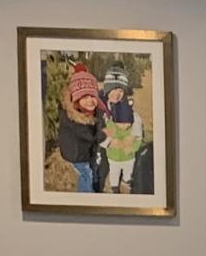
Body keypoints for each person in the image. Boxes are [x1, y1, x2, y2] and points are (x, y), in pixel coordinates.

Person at [54, 63, 109, 194]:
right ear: (76, 100)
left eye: (92, 96)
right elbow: (91, 136)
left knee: (92, 168)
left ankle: (93, 187)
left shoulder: (89, 111)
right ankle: (86, 196)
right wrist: (105, 134)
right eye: (84, 97)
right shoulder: (73, 119)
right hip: (76, 153)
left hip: (84, 149)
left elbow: (99, 117)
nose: (90, 100)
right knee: (86, 174)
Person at [100, 64, 143, 193]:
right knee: (108, 168)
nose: (117, 94)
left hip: (125, 154)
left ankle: (126, 181)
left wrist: (132, 140)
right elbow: (97, 131)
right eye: (113, 89)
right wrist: (109, 142)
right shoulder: (101, 109)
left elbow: (136, 126)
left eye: (121, 90)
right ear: (107, 90)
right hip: (109, 150)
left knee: (127, 170)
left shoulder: (127, 110)